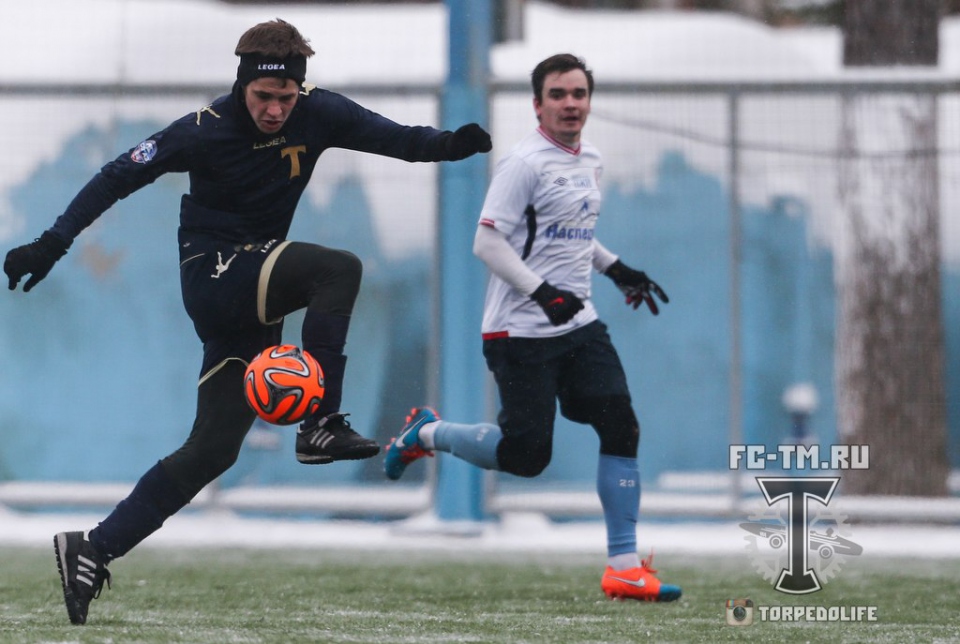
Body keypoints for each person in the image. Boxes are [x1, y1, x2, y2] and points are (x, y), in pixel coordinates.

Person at [3, 18, 491, 625]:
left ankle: (94, 547)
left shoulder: (320, 111)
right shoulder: (204, 128)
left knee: (213, 450)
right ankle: (321, 423)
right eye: (263, 96)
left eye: (286, 97)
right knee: (338, 269)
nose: (275, 109)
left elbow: (398, 139)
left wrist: (452, 143)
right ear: (242, 84)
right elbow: (117, 176)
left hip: (256, 285)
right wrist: (51, 243)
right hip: (213, 276)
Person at [383, 53, 680, 603]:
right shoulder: (522, 163)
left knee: (621, 424)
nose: (570, 103)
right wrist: (542, 293)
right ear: (537, 105)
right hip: (519, 332)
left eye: (579, 93)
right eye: (558, 94)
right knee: (527, 457)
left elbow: (570, 231)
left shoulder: (590, 158)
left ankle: (623, 566)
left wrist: (616, 269)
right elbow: (487, 242)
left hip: (579, 324)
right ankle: (427, 432)